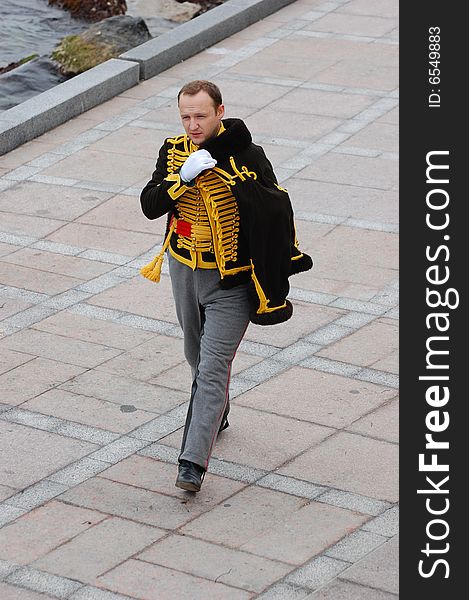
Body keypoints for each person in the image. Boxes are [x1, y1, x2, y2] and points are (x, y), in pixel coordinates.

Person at [140, 80, 312, 492]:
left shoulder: (249, 157)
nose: (193, 124)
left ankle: (192, 463)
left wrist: (236, 188)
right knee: (194, 354)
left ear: (220, 111)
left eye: (201, 115)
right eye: (186, 116)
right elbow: (150, 205)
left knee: (212, 369)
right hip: (183, 268)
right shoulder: (172, 151)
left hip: (231, 280)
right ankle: (218, 411)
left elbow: (275, 207)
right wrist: (180, 178)